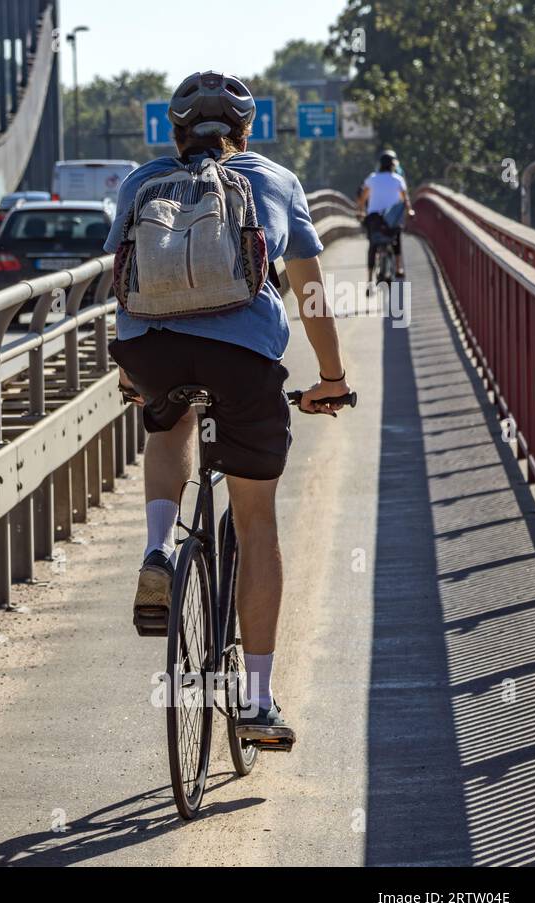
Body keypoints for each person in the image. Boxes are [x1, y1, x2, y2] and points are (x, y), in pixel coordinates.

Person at [105, 71, 354, 748]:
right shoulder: (274, 180)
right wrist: (330, 376)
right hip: (242, 362)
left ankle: (158, 549)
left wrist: (136, 371)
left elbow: (119, 278)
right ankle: (258, 703)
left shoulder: (141, 180)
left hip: (149, 346)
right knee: (255, 524)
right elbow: (308, 298)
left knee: (168, 420)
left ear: (174, 132)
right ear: (247, 131)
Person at [357, 149, 415, 282]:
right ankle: (399, 267)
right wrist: (410, 211)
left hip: (374, 219)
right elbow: (405, 200)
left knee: (372, 245)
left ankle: (369, 278)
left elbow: (362, 198)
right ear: (394, 165)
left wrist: (360, 211)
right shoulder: (398, 179)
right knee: (396, 235)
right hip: (391, 220)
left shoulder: (371, 178)